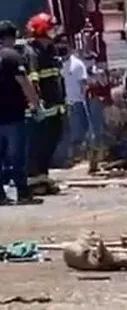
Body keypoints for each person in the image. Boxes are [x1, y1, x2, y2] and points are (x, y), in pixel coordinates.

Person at [23, 13, 66, 196]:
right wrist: (37, 104)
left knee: (50, 145)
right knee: (38, 146)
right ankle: (34, 181)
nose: (55, 31)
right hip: (44, 109)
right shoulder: (32, 52)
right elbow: (33, 80)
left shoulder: (52, 50)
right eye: (51, 28)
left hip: (56, 108)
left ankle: (43, 177)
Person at [0, 21, 42, 205]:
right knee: (17, 158)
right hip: (12, 115)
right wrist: (36, 105)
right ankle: (23, 193)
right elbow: (24, 83)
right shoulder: (12, 57)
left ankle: (1, 196)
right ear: (10, 37)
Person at [62, 45, 96, 171]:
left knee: (78, 131)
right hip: (65, 103)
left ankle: (78, 157)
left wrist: (83, 99)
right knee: (67, 132)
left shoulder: (77, 64)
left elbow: (83, 84)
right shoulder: (59, 64)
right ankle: (70, 157)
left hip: (77, 102)